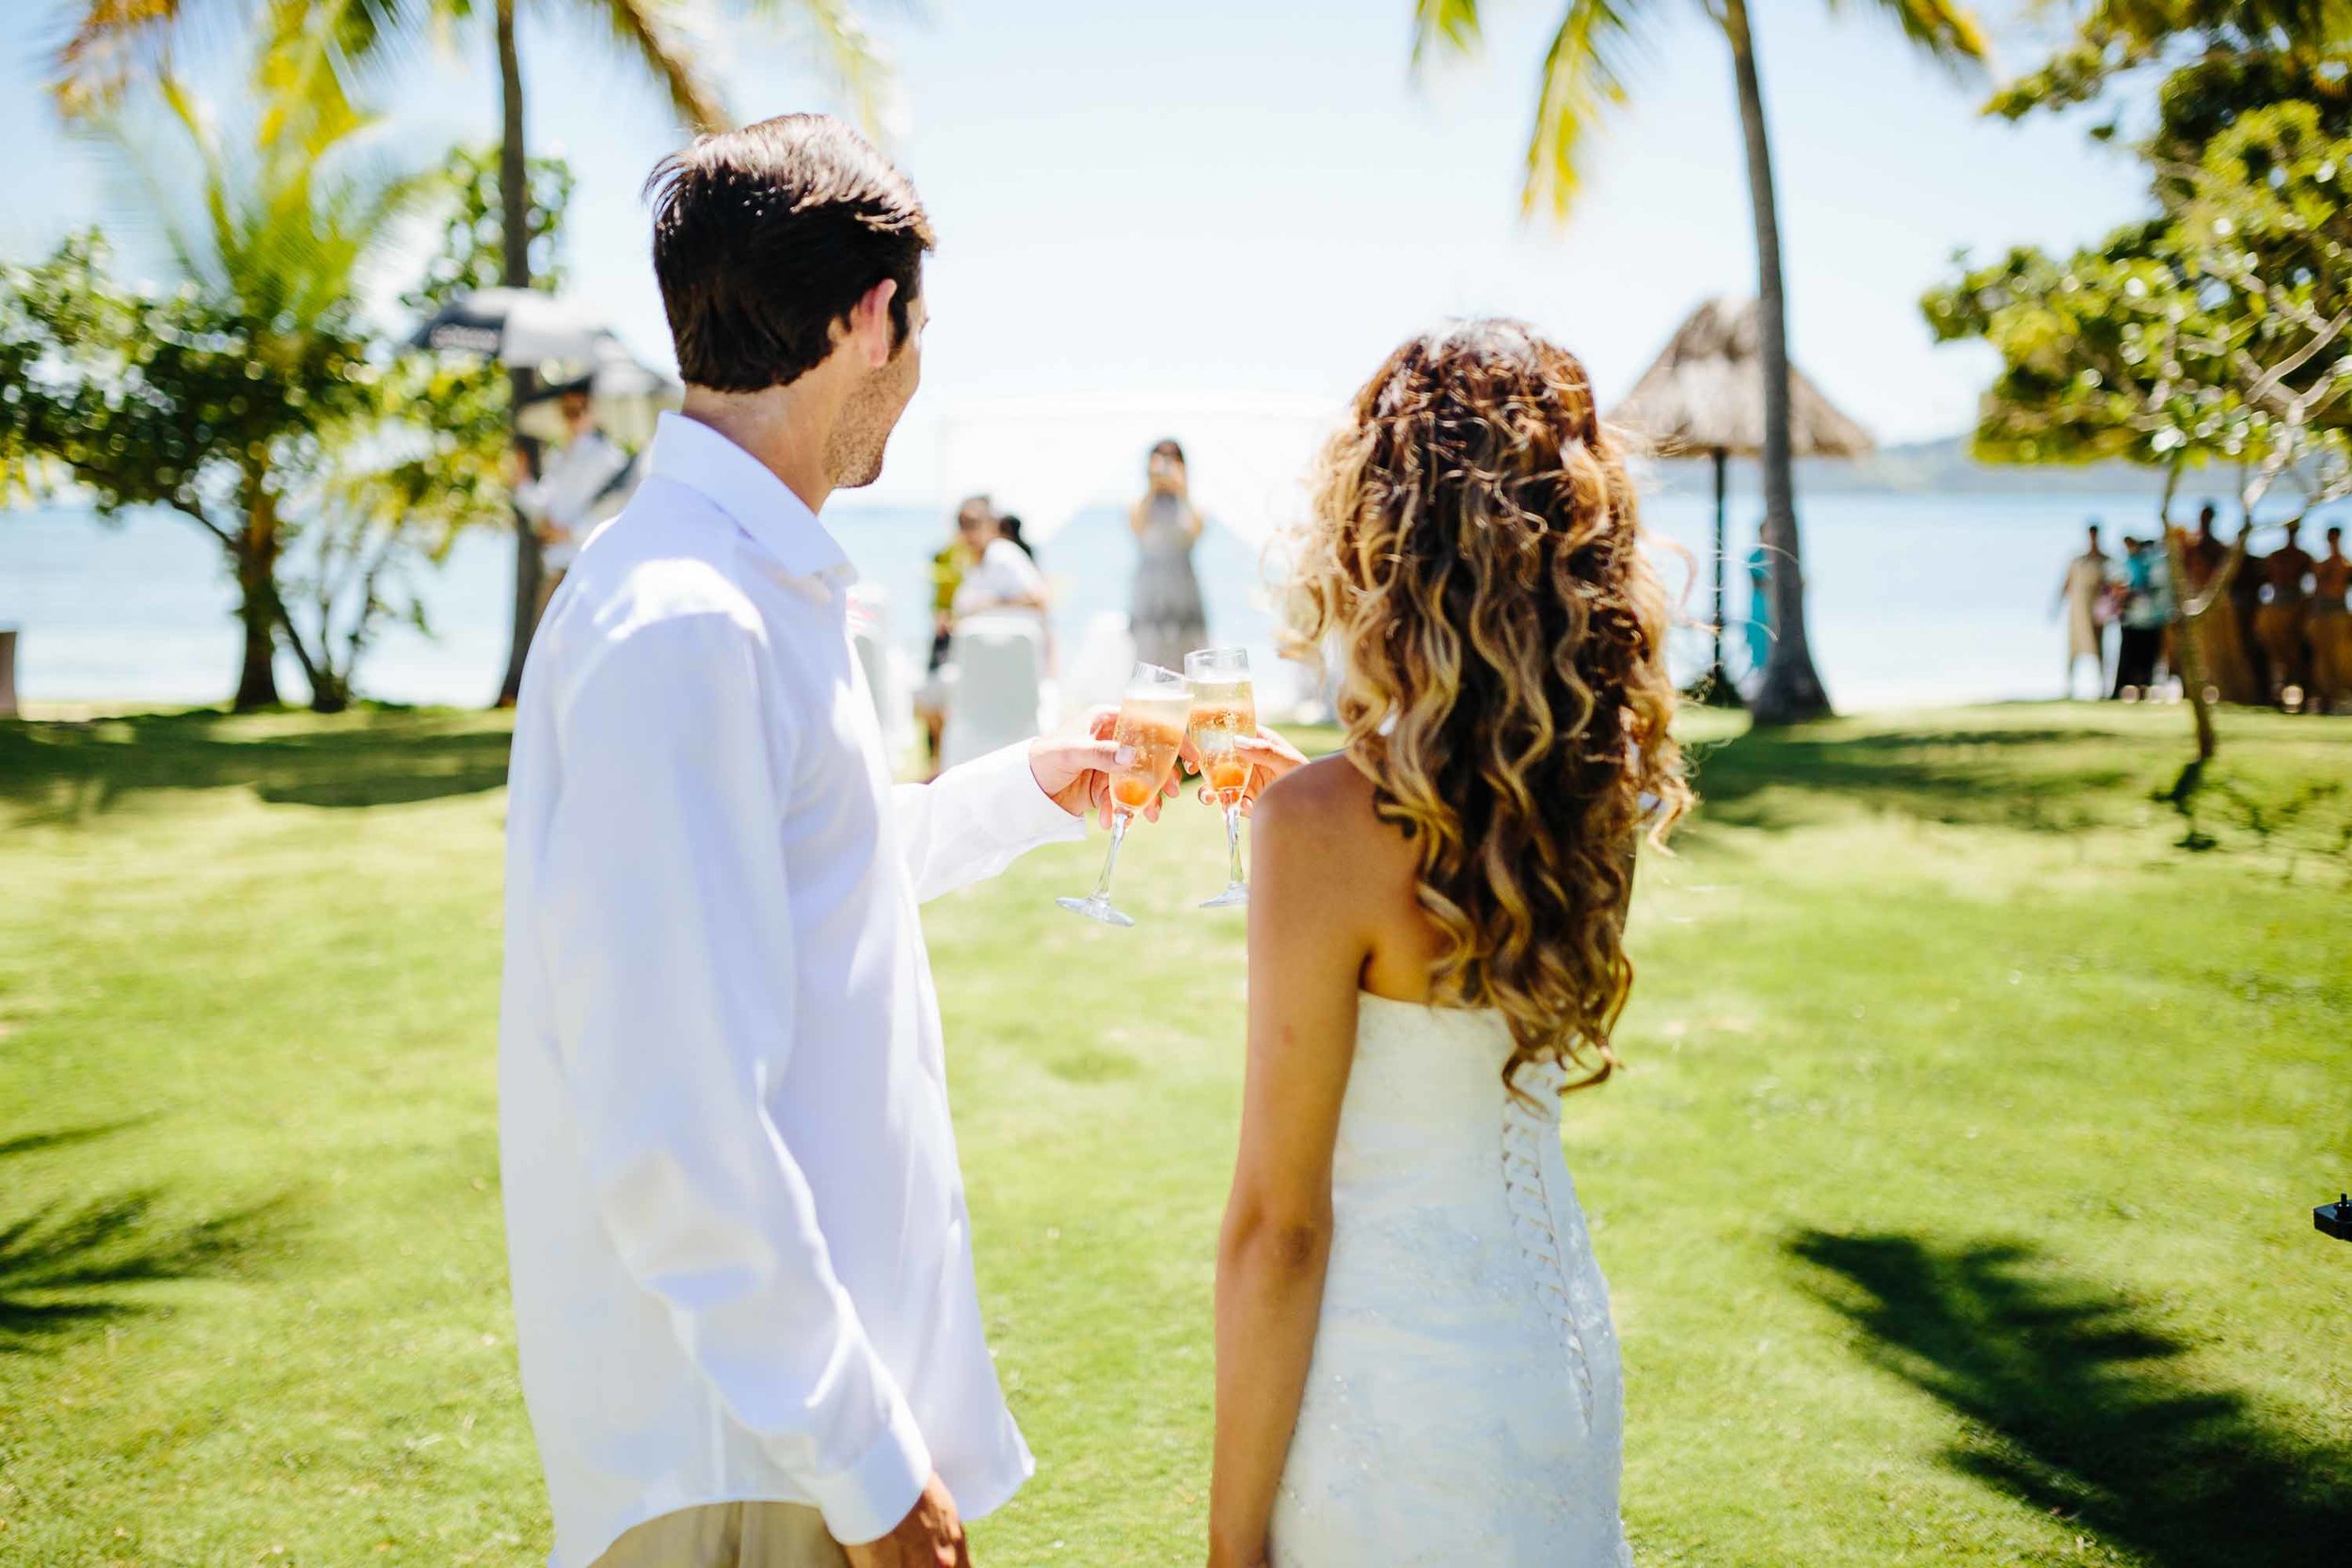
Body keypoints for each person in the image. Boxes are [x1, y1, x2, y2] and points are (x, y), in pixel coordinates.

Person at [499, 114, 1157, 1568]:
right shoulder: (685, 617)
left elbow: (810, 876)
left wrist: (1030, 786)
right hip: (742, 1455)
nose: (916, 380)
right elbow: (675, 1116)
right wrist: (868, 1470)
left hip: (781, 1424)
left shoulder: (741, 580)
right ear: (872, 318)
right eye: (918, 333)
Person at [1205, 320, 1688, 1568]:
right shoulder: (1593, 787)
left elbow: (1280, 1225)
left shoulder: (1322, 826)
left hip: (1392, 1393)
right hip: (1553, 1346)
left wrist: (1225, 1542)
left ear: (1382, 537)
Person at [512, 385, 634, 626]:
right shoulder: (560, 457)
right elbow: (542, 505)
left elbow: (617, 509)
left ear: (594, 411)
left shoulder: (608, 457)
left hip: (587, 569)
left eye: (579, 410)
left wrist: (570, 533)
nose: (573, 418)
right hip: (557, 568)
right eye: (568, 411)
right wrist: (521, 483)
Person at [918, 499, 990, 774]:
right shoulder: (946, 555)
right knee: (931, 701)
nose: (968, 531)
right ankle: (935, 762)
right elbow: (938, 600)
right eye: (963, 524)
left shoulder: (995, 559)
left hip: (978, 646)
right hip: (948, 639)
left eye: (973, 524)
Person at [1130, 437, 1210, 671]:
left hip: (1182, 581)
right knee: (1148, 655)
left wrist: (1182, 489)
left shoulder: (1189, 503)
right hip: (1151, 583)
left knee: (1189, 652)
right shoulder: (1141, 503)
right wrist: (1152, 487)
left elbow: (1197, 531)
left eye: (1172, 459)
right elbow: (1137, 528)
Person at [2253, 518, 2315, 707]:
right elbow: (2262, 580)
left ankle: (2302, 693)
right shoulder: (2276, 557)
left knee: (2296, 654)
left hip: (2295, 610)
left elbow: (2315, 583)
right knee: (2275, 653)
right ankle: (2276, 693)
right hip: (2276, 608)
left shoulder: (2303, 558)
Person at [2110, 535, 2171, 700]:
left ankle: (2143, 690)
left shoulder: (2149, 563)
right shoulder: (2131, 563)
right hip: (2134, 619)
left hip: (2150, 620)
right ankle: (2125, 690)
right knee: (2132, 658)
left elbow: (2153, 588)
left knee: (2146, 659)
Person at [2056, 521, 2109, 700]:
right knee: (2073, 650)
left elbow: (2110, 588)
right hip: (2077, 612)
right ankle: (2070, 688)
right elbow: (2066, 583)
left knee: (2099, 649)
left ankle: (2103, 688)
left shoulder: (2105, 561)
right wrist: (2057, 606)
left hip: (2096, 613)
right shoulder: (2077, 561)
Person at [2312, 525, 2351, 711]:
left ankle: (2341, 695)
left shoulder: (2345, 565)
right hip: (2322, 615)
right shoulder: (2322, 565)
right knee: (2323, 659)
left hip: (2338, 614)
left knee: (2341, 658)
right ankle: (2326, 695)